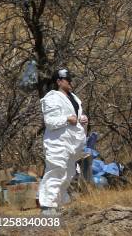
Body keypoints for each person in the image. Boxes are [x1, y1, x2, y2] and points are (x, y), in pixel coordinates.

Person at [38, 69, 88, 215]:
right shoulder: (52, 98)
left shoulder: (74, 98)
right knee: (55, 172)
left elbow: (76, 117)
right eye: (67, 79)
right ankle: (47, 208)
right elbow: (50, 121)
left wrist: (82, 119)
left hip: (72, 144)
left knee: (68, 174)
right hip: (57, 142)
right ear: (59, 81)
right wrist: (66, 119)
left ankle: (57, 204)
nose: (71, 81)